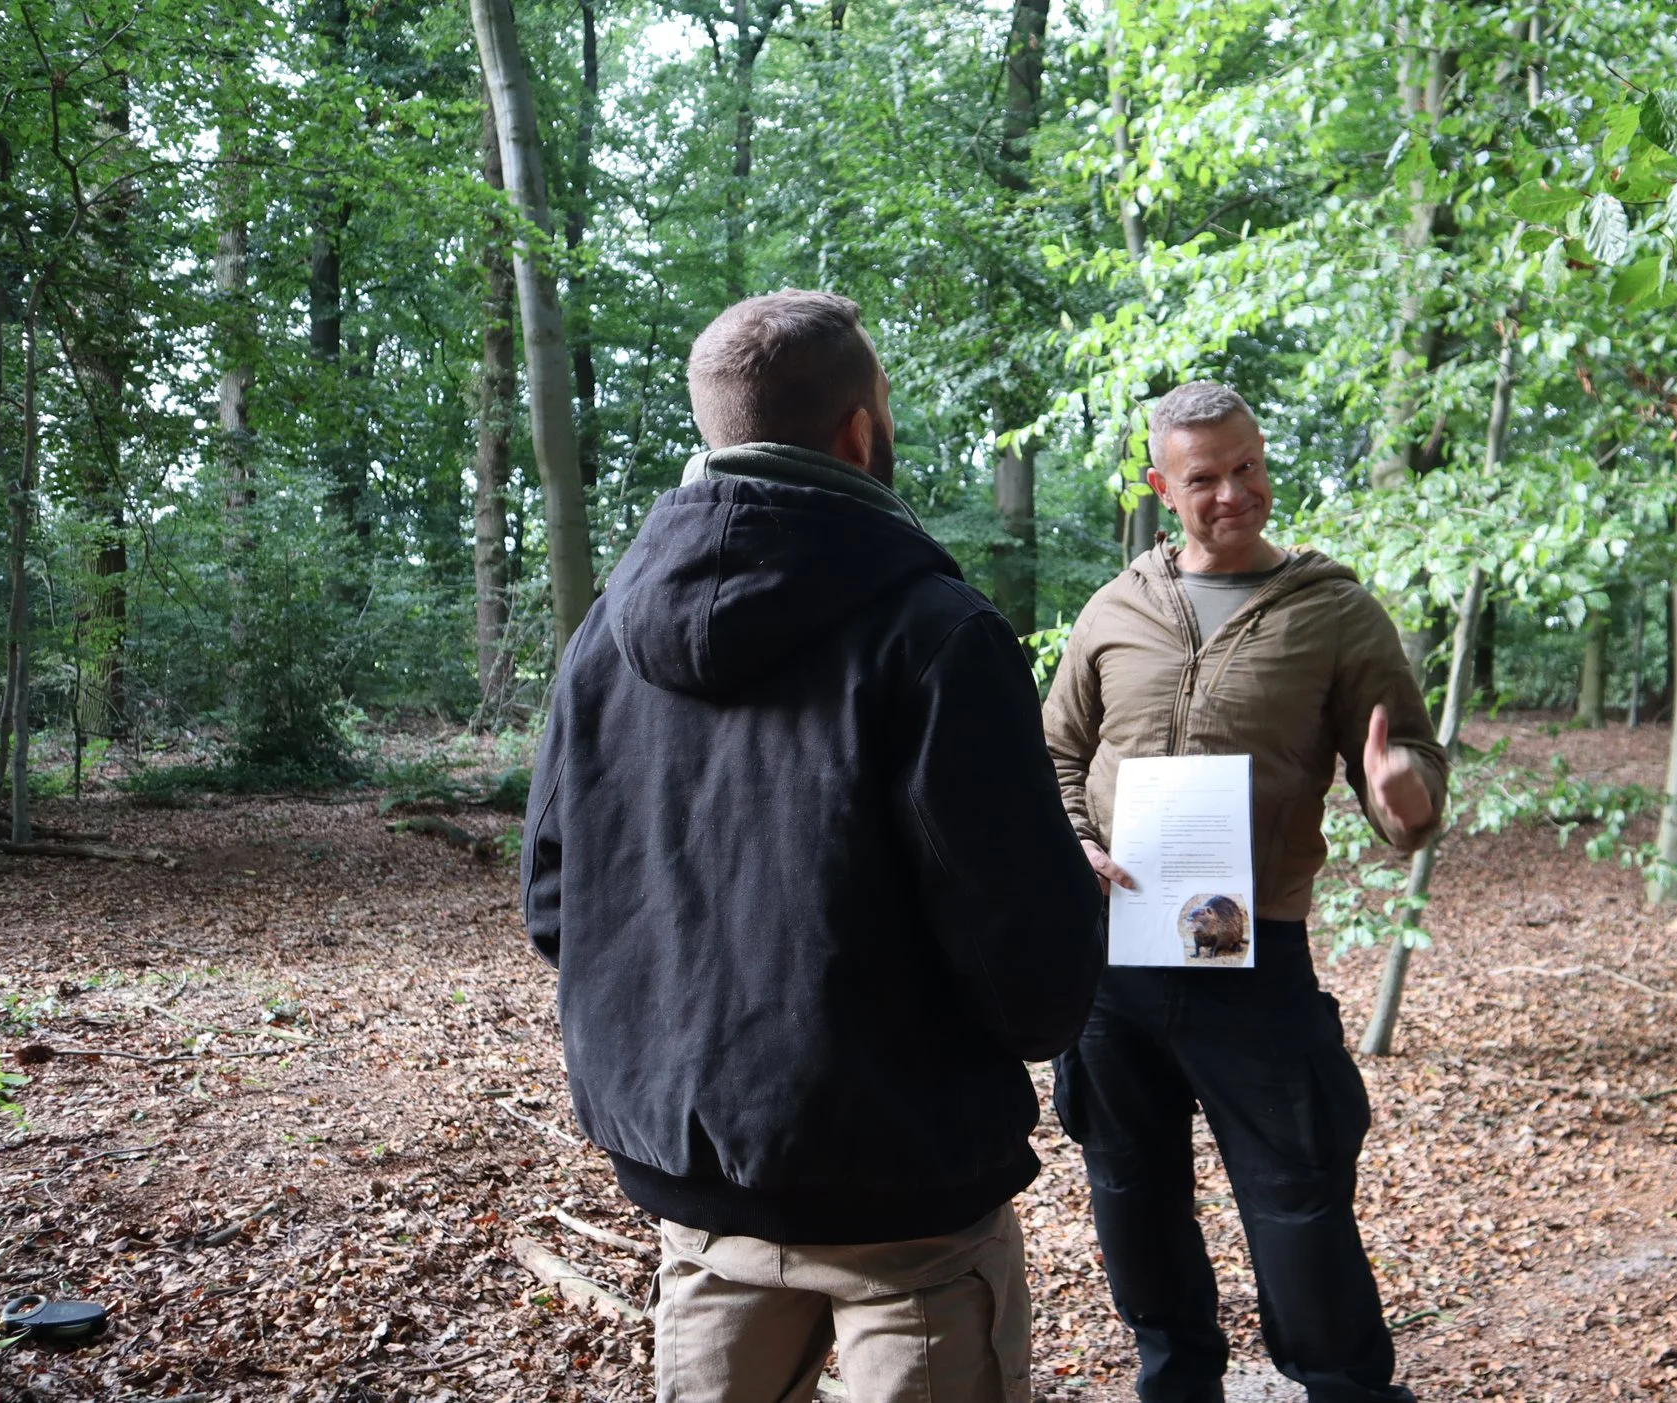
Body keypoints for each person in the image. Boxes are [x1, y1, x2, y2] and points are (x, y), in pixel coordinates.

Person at [520, 290, 1104, 1403]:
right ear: (859, 431)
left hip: (694, 1181)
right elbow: (1025, 961)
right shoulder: (938, 635)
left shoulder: (604, 631)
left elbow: (557, 903)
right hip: (905, 1195)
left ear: (718, 430)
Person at [1040, 381, 1446, 1403]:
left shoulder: (1336, 611)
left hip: (1252, 960)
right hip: (1115, 960)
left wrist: (1404, 796)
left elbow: (1411, 775)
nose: (1234, 493)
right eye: (1205, 478)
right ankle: (1177, 1379)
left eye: (1248, 466)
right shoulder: (1116, 606)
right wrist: (1074, 839)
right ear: (1159, 487)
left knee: (1298, 1200)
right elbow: (1050, 752)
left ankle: (1343, 1385)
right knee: (1132, 1193)